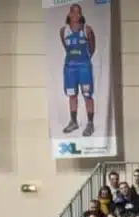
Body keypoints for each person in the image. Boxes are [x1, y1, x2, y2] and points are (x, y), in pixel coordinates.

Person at [60, 2, 97, 137]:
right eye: (73, 12)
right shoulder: (63, 30)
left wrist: (84, 60)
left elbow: (92, 48)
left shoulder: (87, 29)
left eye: (79, 12)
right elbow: (66, 47)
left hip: (84, 67)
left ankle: (90, 124)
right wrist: (74, 59)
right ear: (69, 14)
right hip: (70, 68)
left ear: (81, 14)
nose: (76, 14)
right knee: (72, 94)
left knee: (87, 95)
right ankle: (74, 122)